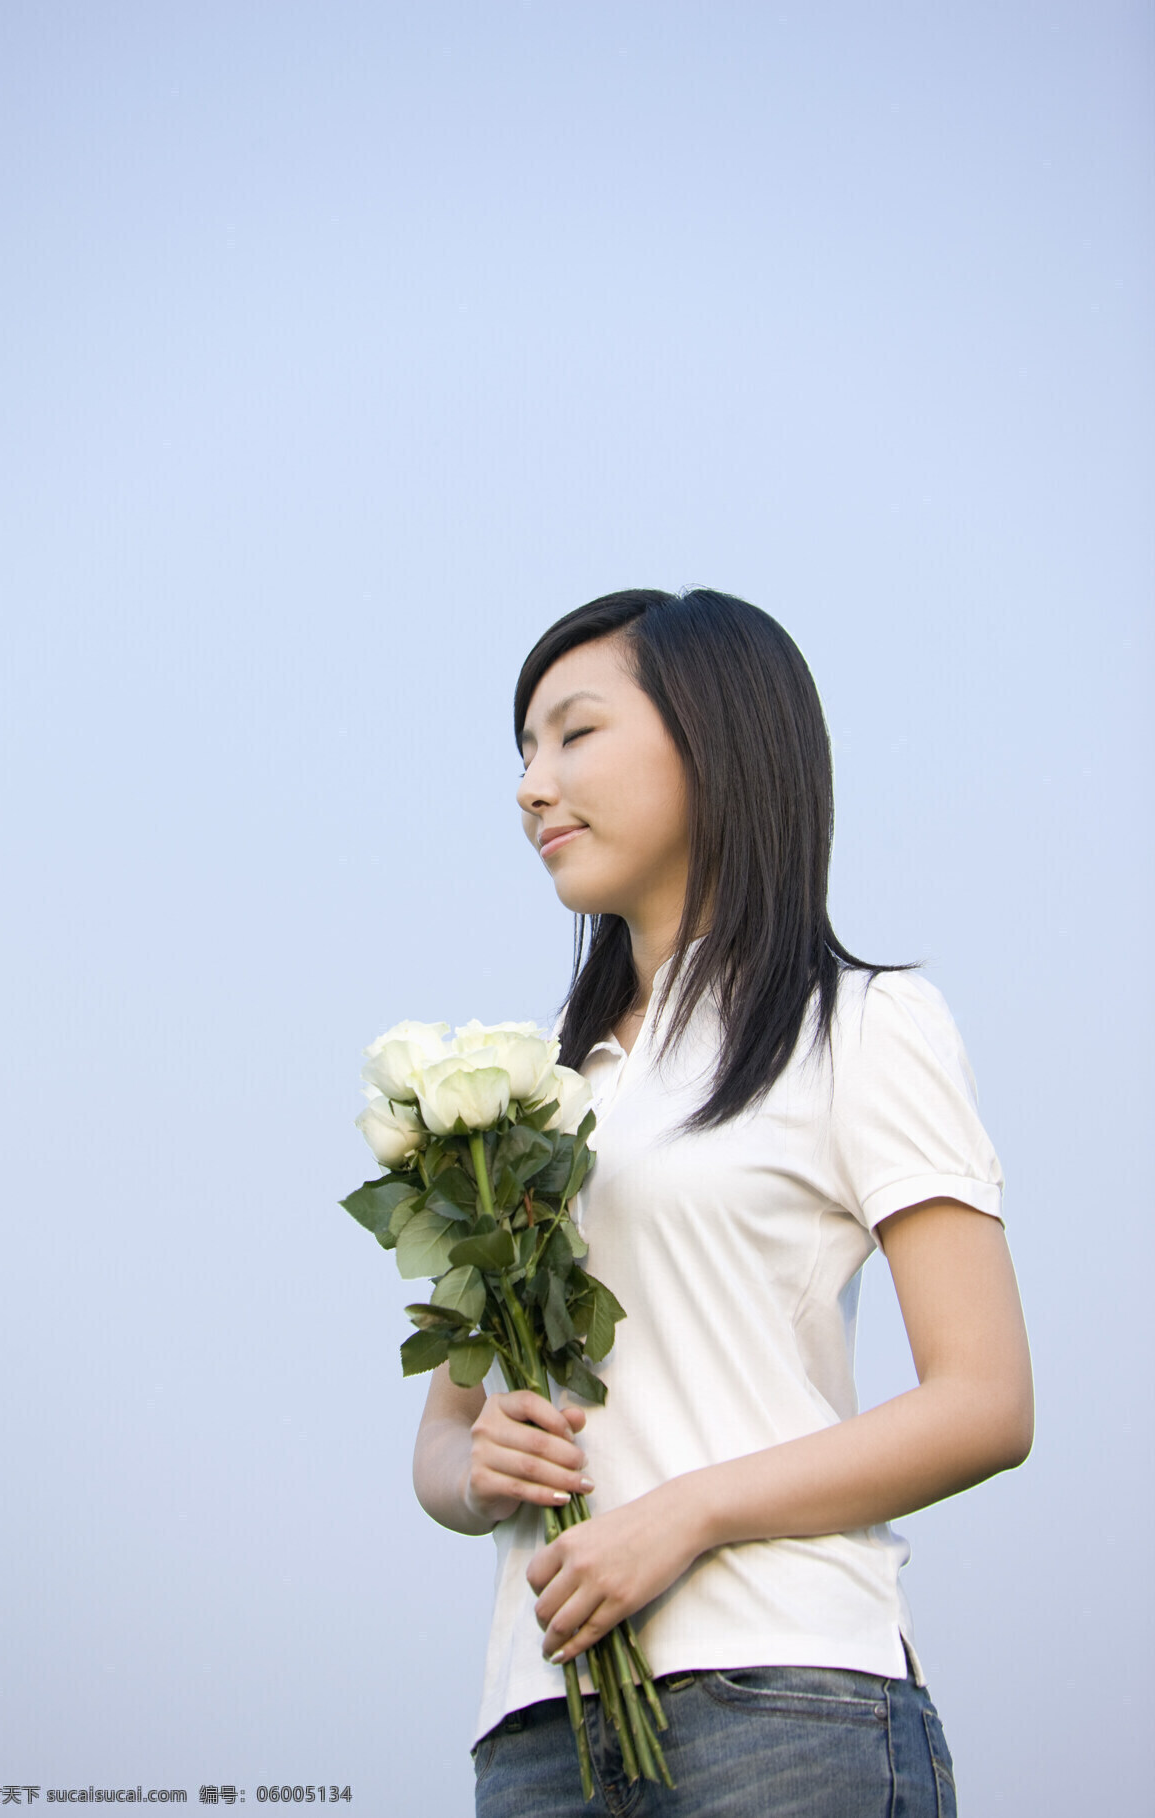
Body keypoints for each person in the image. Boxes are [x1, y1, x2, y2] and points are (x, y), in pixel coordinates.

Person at [413, 587, 1033, 1817]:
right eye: (524, 752)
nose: (532, 785)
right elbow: (439, 1448)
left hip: (787, 1705)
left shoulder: (857, 1023)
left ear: (713, 736)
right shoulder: (523, 1097)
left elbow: (986, 1402)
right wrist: (479, 1471)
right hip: (537, 1728)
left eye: (573, 734)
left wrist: (684, 1516)